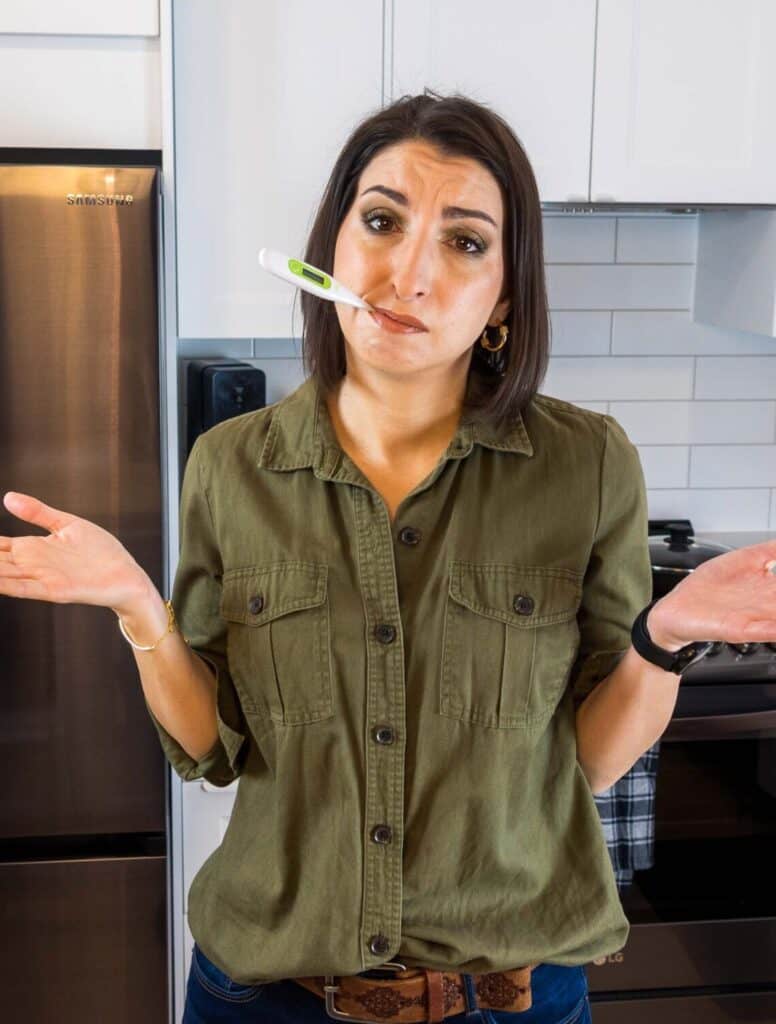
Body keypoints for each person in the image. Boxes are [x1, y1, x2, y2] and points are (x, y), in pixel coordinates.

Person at [3, 91, 776, 1024]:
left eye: (465, 242)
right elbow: (212, 750)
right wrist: (140, 611)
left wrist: (666, 636)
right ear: (332, 247)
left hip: (511, 1002)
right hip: (264, 997)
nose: (409, 273)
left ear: (505, 297)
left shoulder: (588, 464)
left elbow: (591, 762)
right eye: (381, 222)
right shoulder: (232, 466)